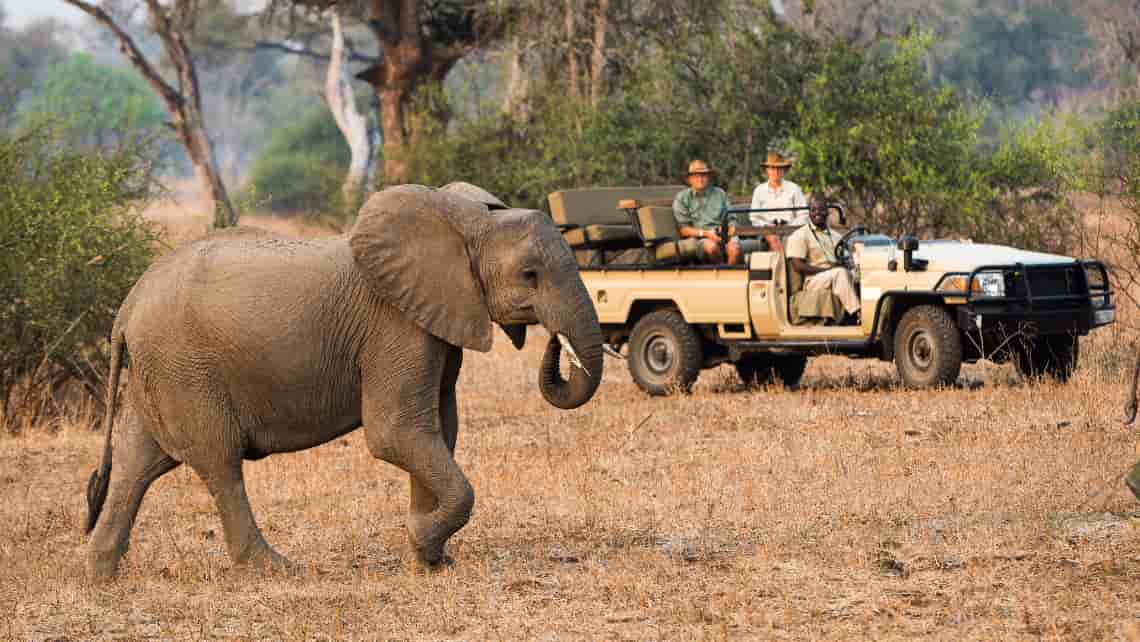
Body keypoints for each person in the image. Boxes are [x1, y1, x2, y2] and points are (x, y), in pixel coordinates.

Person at [785, 196, 860, 323]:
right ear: (809, 213)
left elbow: (846, 257)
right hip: (813, 279)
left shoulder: (836, 236)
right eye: (813, 210)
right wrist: (826, 270)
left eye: (821, 210)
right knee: (839, 273)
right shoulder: (800, 235)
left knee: (860, 273)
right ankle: (858, 313)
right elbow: (797, 266)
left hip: (835, 274)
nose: (817, 213)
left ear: (828, 212)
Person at [672, 159, 742, 265]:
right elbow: (684, 230)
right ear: (689, 179)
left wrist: (728, 231)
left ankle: (726, 276)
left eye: (703, 175)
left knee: (734, 250)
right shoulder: (682, 198)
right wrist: (706, 234)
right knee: (711, 248)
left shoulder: (720, 193)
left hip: (723, 233)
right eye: (696, 176)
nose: (700, 179)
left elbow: (731, 218)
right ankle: (723, 274)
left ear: (708, 177)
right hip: (701, 237)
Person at [749, 151, 807, 226]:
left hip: (792, 232)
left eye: (779, 168)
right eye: (773, 168)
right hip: (765, 233)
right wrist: (768, 232)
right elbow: (754, 218)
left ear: (784, 170)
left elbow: (803, 214)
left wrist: (790, 226)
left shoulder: (794, 189)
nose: (776, 172)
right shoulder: (759, 190)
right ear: (767, 170)